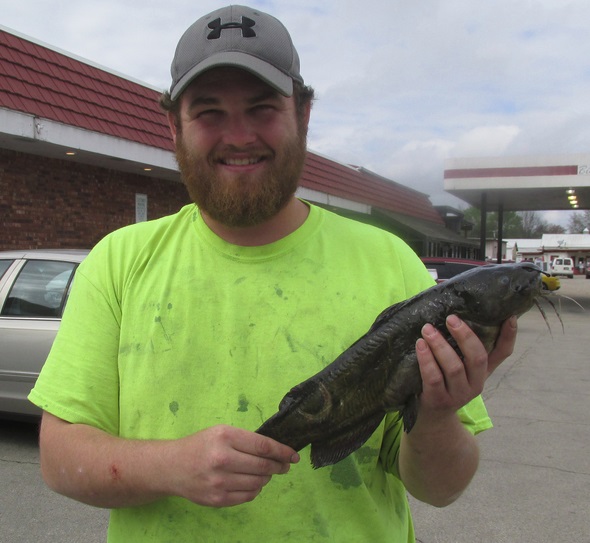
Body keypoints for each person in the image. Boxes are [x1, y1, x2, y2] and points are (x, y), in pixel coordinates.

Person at [29, 5, 517, 542]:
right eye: (209, 112)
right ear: (173, 124)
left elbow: (441, 488)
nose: (238, 137)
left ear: (303, 114)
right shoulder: (119, 261)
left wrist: (441, 415)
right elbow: (59, 457)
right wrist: (169, 466)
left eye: (262, 108)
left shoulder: (391, 262)